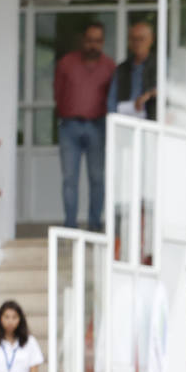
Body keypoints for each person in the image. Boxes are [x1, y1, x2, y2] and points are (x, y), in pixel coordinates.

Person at [54, 21, 115, 231]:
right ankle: (70, 225)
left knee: (97, 178)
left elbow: (113, 98)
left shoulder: (109, 67)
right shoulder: (66, 63)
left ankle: (94, 224)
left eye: (97, 41)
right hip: (69, 127)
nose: (93, 45)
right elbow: (58, 93)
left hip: (97, 126)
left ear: (103, 42)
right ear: (83, 40)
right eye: (89, 40)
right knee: (70, 179)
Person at [107, 21, 157, 120]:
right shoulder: (121, 68)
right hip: (125, 123)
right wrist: (115, 120)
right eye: (133, 39)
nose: (137, 43)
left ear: (152, 40)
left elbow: (171, 90)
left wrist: (149, 94)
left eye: (141, 39)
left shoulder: (160, 65)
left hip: (152, 123)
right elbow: (111, 101)